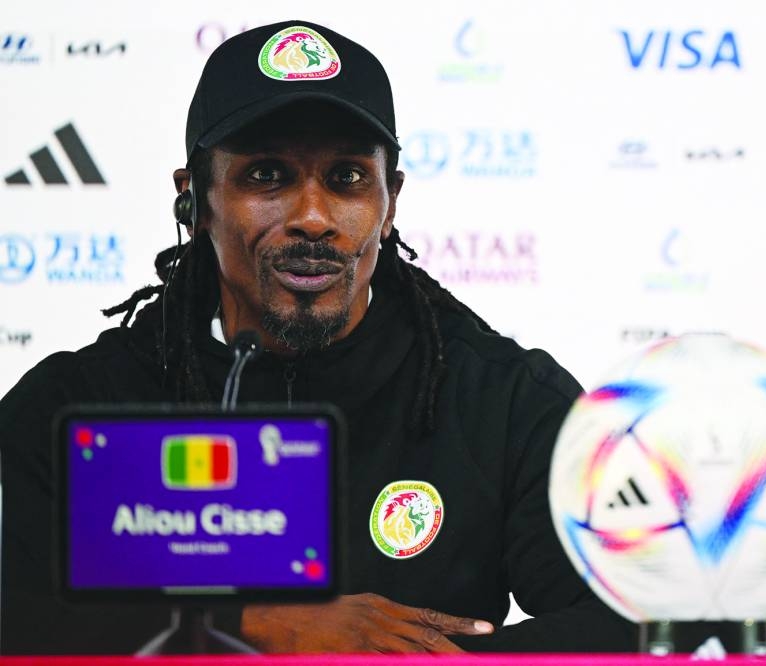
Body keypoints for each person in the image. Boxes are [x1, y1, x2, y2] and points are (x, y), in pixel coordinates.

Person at [0, 20, 636, 654]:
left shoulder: (500, 397)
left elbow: (630, 621)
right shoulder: (78, 405)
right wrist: (244, 625)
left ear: (392, 203)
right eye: (268, 175)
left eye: (348, 178)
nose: (312, 216)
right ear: (194, 200)